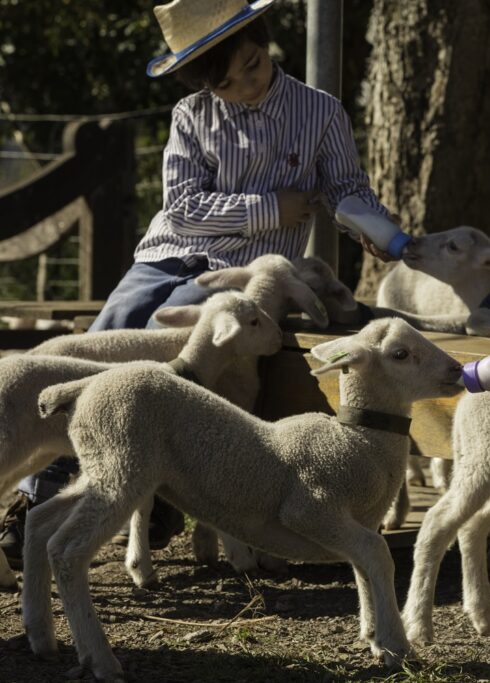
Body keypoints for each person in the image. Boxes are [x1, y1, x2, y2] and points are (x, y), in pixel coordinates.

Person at [0, 0, 391, 565]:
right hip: (164, 256)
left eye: (252, 66)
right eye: (225, 84)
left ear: (263, 39)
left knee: (175, 355)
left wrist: (371, 228)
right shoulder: (192, 114)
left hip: (234, 275)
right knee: (103, 336)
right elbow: (181, 209)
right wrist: (269, 207)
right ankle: (40, 495)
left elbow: (346, 187)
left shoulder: (320, 111)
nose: (243, 87)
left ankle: (157, 487)